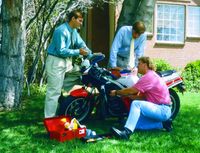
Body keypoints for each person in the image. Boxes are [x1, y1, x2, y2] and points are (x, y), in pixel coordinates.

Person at [110, 56, 172, 140]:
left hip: (162, 109)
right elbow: (142, 97)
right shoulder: (151, 75)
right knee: (127, 122)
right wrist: (128, 96)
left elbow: (132, 90)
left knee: (136, 104)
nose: (137, 66)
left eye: (139, 64)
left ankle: (126, 133)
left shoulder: (148, 76)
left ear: (145, 65)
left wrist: (117, 92)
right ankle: (164, 124)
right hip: (160, 110)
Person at [44, 10, 91, 118]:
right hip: (56, 61)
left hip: (67, 62)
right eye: (80, 21)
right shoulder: (61, 31)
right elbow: (61, 51)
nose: (81, 23)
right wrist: (78, 52)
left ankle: (67, 98)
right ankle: (50, 119)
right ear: (73, 19)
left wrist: (91, 55)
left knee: (80, 73)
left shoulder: (74, 31)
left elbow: (81, 44)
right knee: (54, 92)